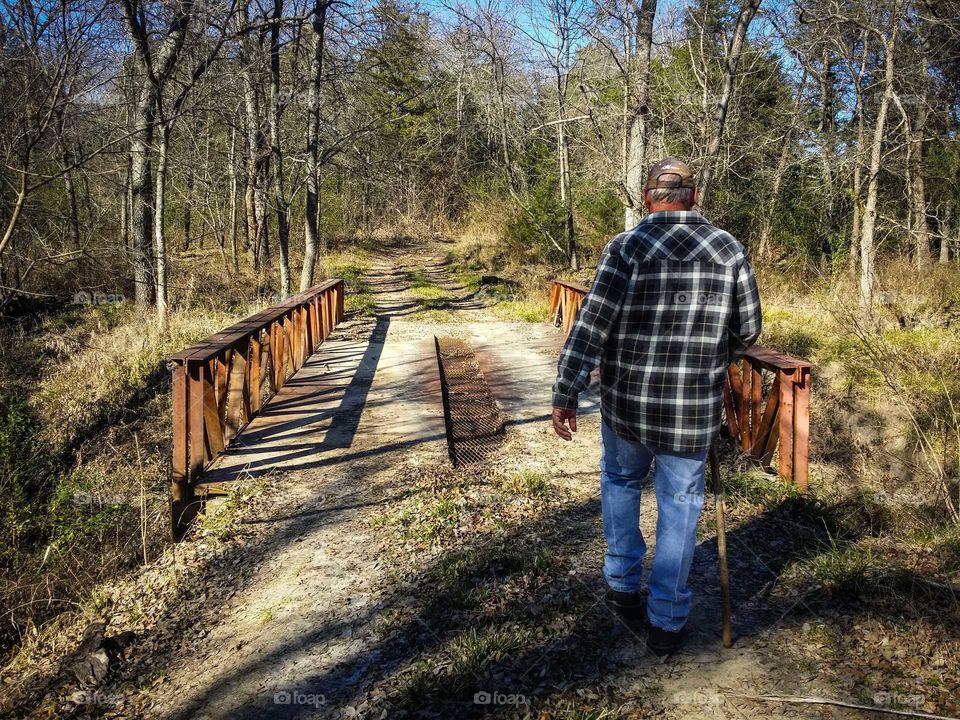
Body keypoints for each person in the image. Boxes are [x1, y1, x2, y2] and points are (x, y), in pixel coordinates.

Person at [551, 157, 762, 656]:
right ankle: (667, 620)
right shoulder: (728, 249)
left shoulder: (627, 247)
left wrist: (567, 390)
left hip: (627, 406)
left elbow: (591, 326)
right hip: (691, 411)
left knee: (621, 483)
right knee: (681, 506)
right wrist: (711, 355)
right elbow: (747, 330)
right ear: (693, 196)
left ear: (649, 197)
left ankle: (623, 586)